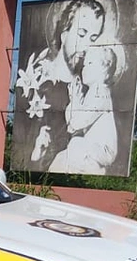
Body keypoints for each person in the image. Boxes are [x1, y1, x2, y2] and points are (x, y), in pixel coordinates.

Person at [15, 0, 107, 170]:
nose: (87, 46)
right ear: (64, 34)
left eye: (93, 38)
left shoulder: (89, 91)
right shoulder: (35, 82)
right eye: (81, 34)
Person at [47, 42, 127, 175]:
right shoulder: (91, 93)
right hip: (89, 146)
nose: (84, 69)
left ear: (104, 68)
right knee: (61, 158)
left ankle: (94, 170)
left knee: (76, 144)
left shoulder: (101, 93)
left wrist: (76, 101)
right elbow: (71, 124)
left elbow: (77, 123)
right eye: (84, 65)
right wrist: (74, 98)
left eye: (89, 64)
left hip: (103, 150)